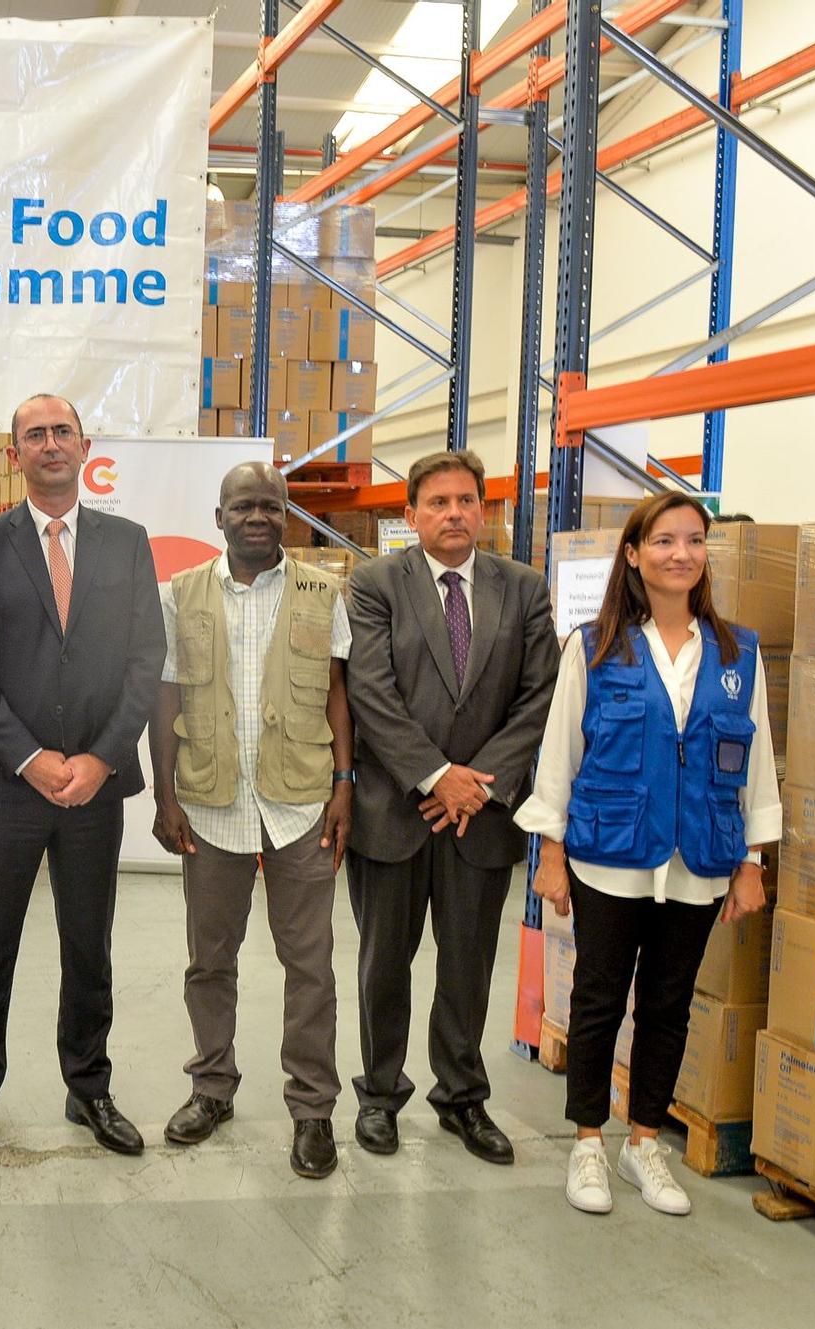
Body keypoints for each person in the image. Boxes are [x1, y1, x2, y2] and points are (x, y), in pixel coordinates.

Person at [516, 492, 778, 1216]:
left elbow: (757, 761)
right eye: (664, 540)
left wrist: (753, 858)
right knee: (598, 1002)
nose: (681, 554)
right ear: (634, 553)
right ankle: (589, 1144)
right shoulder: (595, 646)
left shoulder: (736, 653)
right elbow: (559, 754)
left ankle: (643, 1142)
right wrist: (550, 852)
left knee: (667, 1005)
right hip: (610, 853)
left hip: (698, 857)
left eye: (694, 540)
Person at [0, 392, 167, 1164]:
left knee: (88, 944)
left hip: (94, 787)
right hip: (8, 786)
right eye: (33, 434)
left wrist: (100, 756)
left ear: (84, 443)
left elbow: (145, 661)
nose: (49, 444)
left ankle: (89, 1087)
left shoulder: (127, 543)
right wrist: (30, 757)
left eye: (60, 430)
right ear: (15, 455)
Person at [345, 451, 558, 1166]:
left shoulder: (523, 590)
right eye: (437, 502)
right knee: (385, 964)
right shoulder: (375, 584)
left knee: (468, 964)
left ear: (485, 510)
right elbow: (370, 692)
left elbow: (539, 697)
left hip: (482, 816)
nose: (455, 513)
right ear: (410, 516)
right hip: (394, 811)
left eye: (468, 500)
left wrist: (481, 784)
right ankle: (379, 1093)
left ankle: (462, 1097)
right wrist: (435, 776)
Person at [149, 462, 353, 1178]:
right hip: (209, 805)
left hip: (299, 803)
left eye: (270, 505)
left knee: (311, 966)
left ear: (287, 516)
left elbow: (336, 694)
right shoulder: (181, 595)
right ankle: (211, 1087)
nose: (257, 516)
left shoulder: (325, 593)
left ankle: (314, 1109)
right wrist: (164, 797)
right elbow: (166, 694)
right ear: (220, 517)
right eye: (244, 506)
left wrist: (344, 784)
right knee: (210, 960)